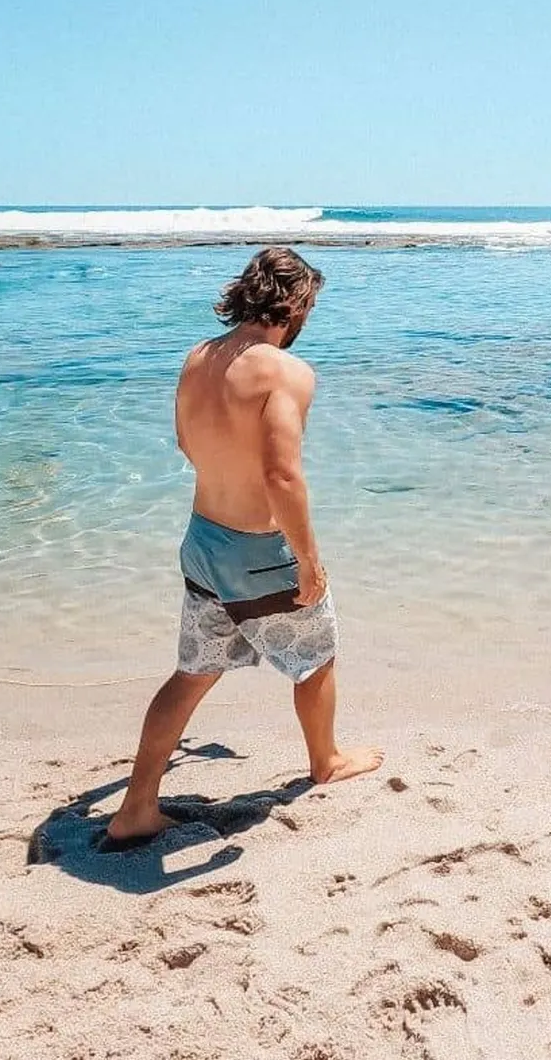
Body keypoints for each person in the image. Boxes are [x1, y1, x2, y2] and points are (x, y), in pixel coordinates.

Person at [107, 247, 383, 842]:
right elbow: (282, 476)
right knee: (317, 655)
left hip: (203, 540)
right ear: (297, 304)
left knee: (193, 672)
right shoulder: (286, 372)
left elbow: (187, 443)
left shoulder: (197, 358)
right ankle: (327, 761)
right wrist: (308, 561)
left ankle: (136, 808)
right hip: (258, 554)